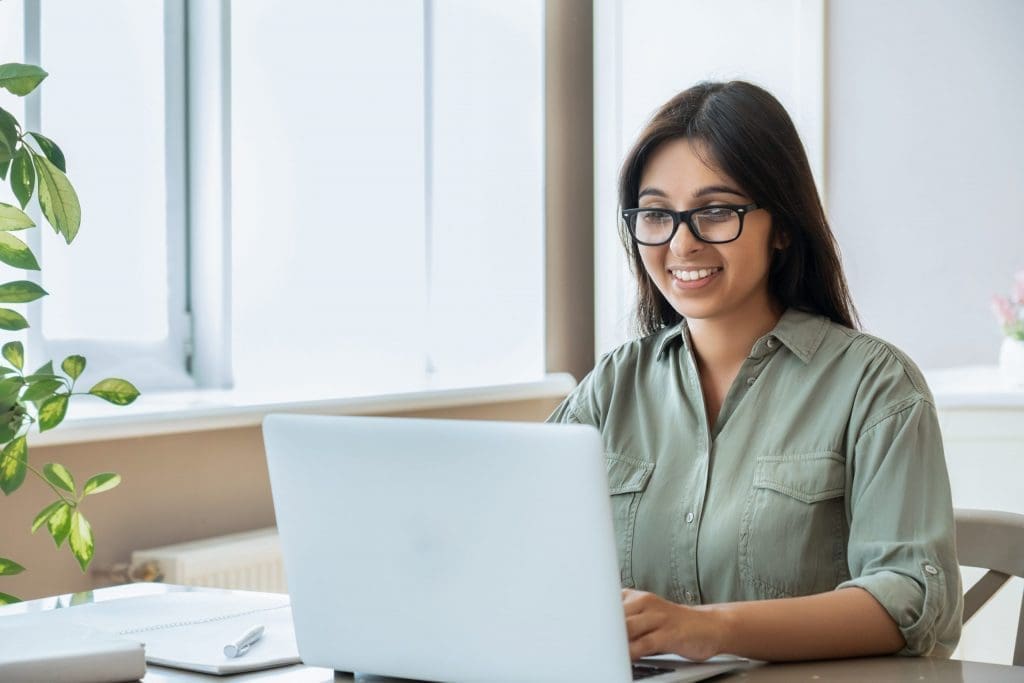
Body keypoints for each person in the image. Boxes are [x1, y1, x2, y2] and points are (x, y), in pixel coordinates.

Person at [547, 81, 962, 662]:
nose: (681, 243)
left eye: (716, 211)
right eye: (657, 214)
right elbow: (521, 550)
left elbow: (908, 599)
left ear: (784, 227)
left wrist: (705, 629)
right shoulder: (610, 388)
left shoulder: (877, 386)